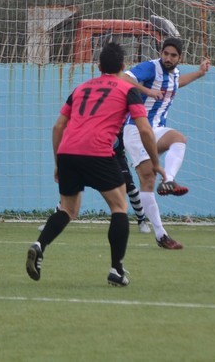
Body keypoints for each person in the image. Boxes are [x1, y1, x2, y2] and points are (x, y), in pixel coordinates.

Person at [26, 42, 166, 287]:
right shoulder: (128, 90)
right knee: (119, 207)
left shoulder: (81, 88)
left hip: (68, 152)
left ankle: (40, 244)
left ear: (99, 67)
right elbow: (144, 129)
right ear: (123, 66)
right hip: (98, 152)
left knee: (68, 209)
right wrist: (156, 162)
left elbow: (58, 127)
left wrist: (58, 162)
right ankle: (116, 270)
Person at [121, 36, 209, 250]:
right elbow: (123, 78)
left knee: (179, 138)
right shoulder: (151, 67)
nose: (168, 58)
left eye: (173, 55)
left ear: (180, 58)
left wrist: (199, 73)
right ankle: (161, 234)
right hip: (136, 129)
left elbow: (177, 83)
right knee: (148, 179)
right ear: (161, 53)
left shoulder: (174, 73)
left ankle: (168, 180)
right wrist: (147, 91)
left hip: (157, 129)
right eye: (165, 54)